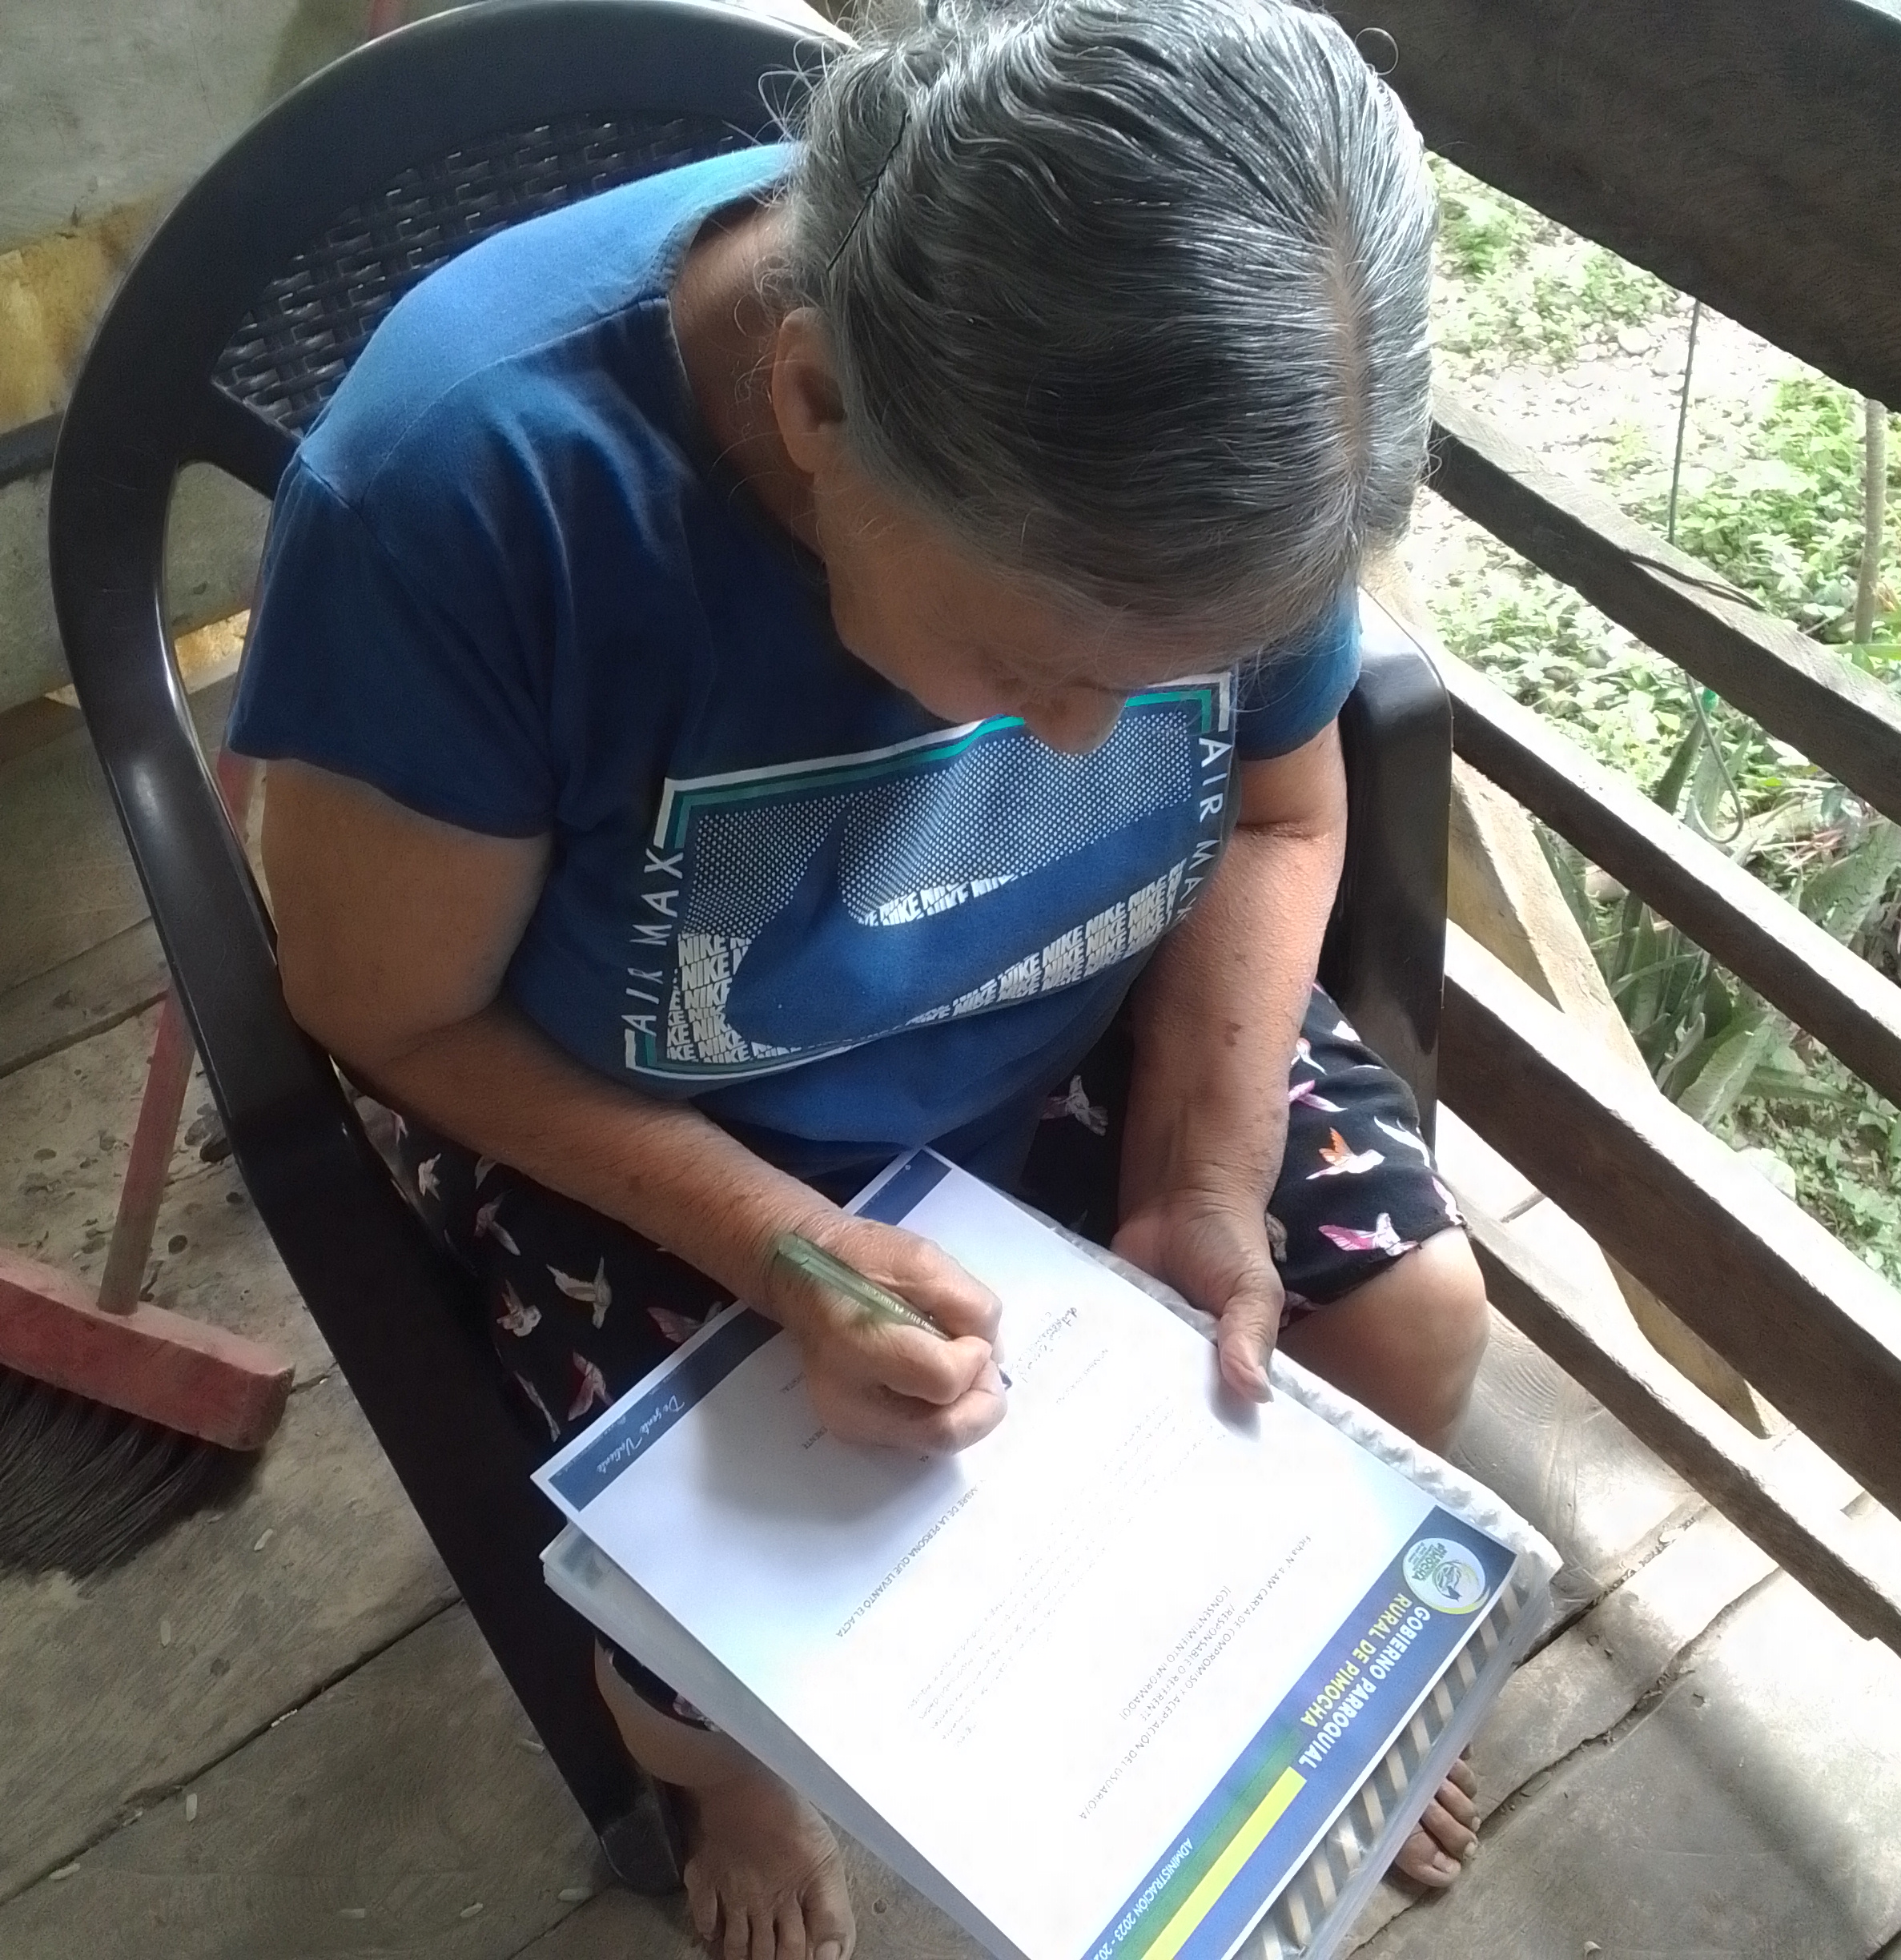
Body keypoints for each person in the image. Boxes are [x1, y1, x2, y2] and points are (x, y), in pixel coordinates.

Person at [231, 0, 1489, 1951]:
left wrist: (1206, 1172)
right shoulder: (467, 500)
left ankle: (1231, 1684)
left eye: (1169, 675)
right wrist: (778, 1246)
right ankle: (737, 1796)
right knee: (702, 1641)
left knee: (1411, 1333)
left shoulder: (1247, 439)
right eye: (1035, 662)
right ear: (814, 408)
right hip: (651, 1109)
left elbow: (1272, 811)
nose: (1086, 744)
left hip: (1082, 994)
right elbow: (388, 1010)